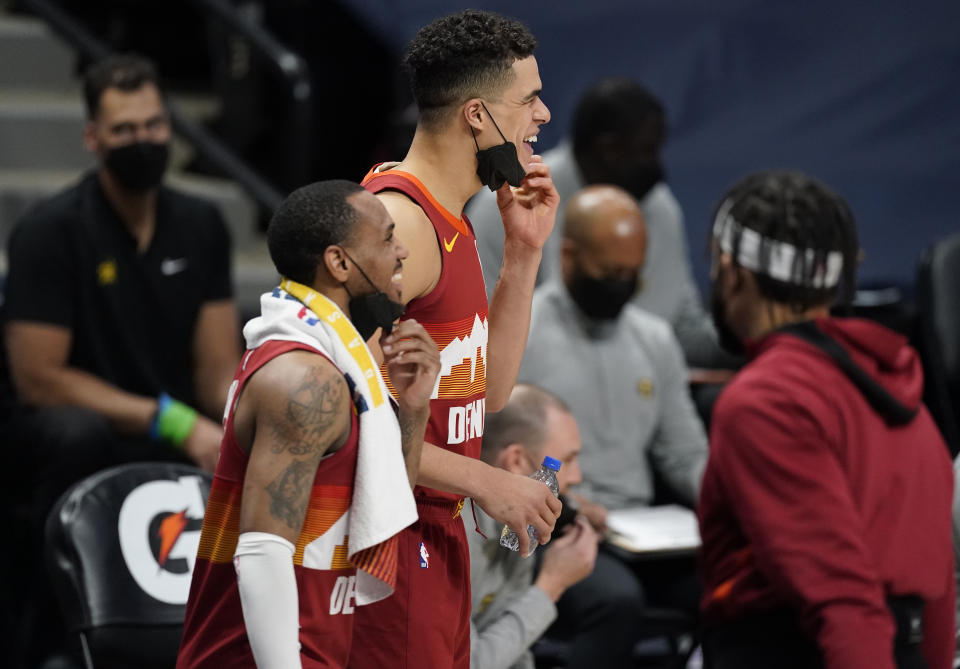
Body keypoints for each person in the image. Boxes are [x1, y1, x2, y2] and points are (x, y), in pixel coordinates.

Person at [2, 53, 240, 668]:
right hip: (87, 429)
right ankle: (55, 641)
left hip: (177, 428)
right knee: (72, 434)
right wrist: (175, 422)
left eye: (154, 126)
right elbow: (38, 379)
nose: (143, 141)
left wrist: (249, 412)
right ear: (93, 139)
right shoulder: (49, 231)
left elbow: (216, 372)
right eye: (124, 131)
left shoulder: (202, 224)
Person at [350, 9, 562, 668]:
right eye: (528, 99)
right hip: (388, 537)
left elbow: (488, 392)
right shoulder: (398, 224)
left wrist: (524, 257)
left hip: (440, 534)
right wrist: (482, 480)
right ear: (477, 115)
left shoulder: (455, 219)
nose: (544, 115)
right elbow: (339, 417)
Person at [177, 180, 441, 668]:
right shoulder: (303, 379)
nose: (402, 250)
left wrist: (415, 409)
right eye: (386, 238)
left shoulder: (340, 364)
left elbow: (381, 506)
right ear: (339, 263)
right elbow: (262, 552)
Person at [699, 170, 955, 669]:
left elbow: (844, 600)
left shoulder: (765, 401)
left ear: (732, 273)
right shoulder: (903, 396)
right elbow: (938, 588)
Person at [467, 76, 728, 369]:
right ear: (609, 150)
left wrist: (753, 336)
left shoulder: (659, 206)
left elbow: (682, 329)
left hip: (645, 397)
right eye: (647, 151)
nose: (658, 168)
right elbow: (481, 339)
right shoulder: (505, 205)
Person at [519, 184, 707, 513]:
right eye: (609, 273)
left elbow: (685, 454)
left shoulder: (656, 340)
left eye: (631, 274)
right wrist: (569, 510)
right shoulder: (520, 333)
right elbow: (498, 454)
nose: (620, 285)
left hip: (642, 525)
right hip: (554, 521)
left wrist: (729, 499)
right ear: (568, 256)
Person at [467, 383, 658, 669]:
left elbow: (515, 654)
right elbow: (470, 663)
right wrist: (551, 585)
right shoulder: (455, 538)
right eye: (567, 460)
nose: (577, 477)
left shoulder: (520, 520)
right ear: (517, 461)